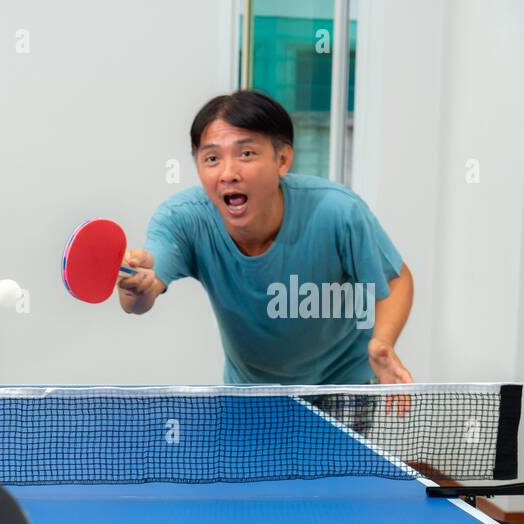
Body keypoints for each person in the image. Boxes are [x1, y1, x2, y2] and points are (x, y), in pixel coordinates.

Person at [118, 90, 414, 386]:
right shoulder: (183, 219)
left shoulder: (338, 211)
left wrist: (383, 342)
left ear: (282, 160)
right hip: (251, 391)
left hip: (343, 382)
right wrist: (136, 288)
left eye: (246, 154)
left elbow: (395, 279)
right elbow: (142, 295)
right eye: (211, 158)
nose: (228, 173)